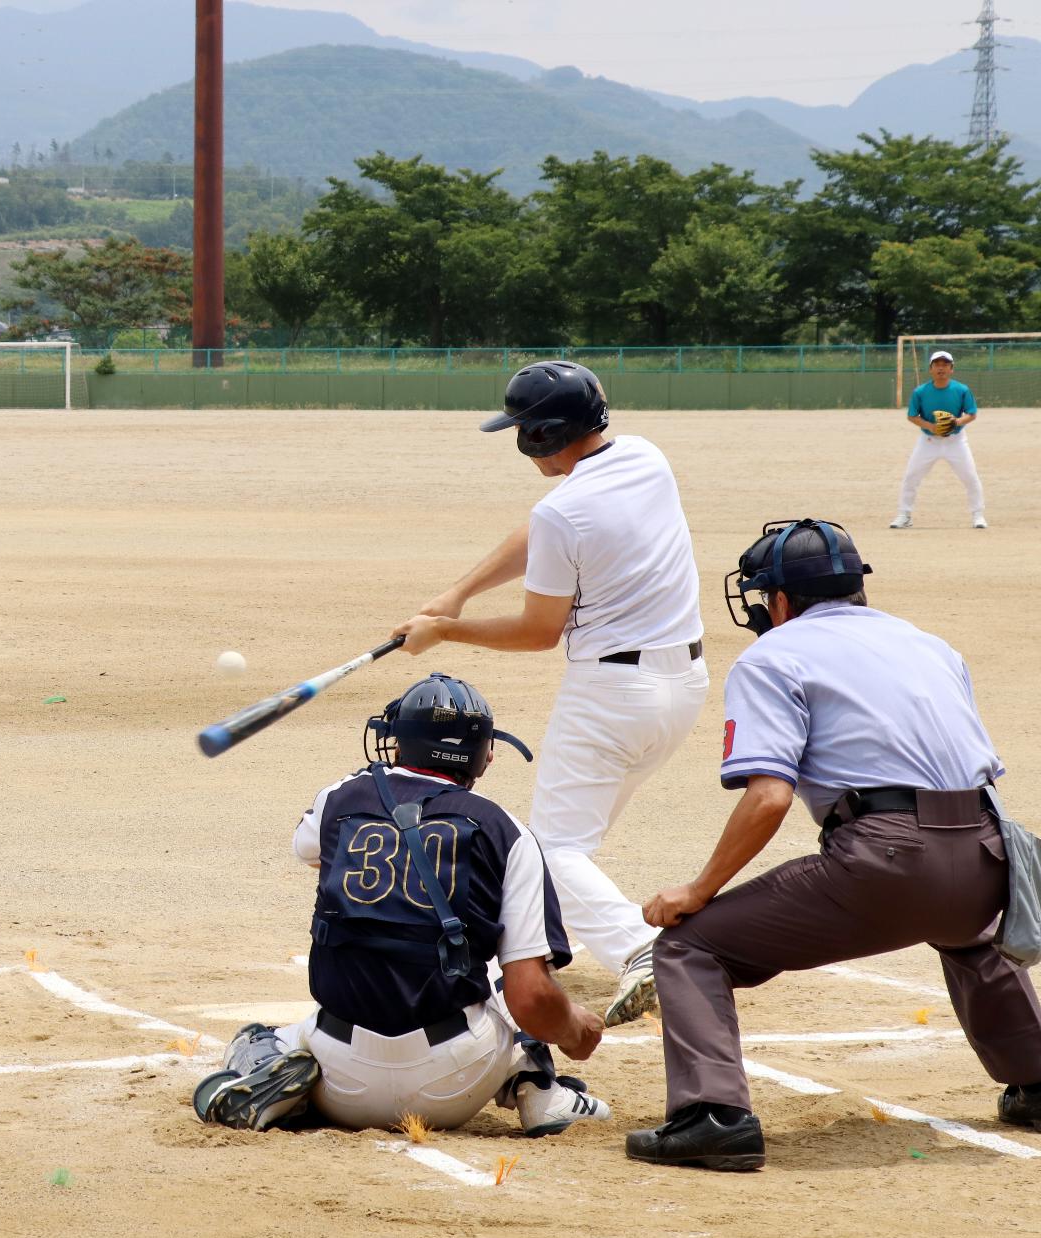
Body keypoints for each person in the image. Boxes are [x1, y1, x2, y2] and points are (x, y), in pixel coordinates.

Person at [628, 518, 1041, 1171]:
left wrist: (697, 891)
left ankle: (712, 1115)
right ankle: (1037, 1082)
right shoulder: (929, 644)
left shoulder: (773, 655)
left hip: (887, 859)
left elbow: (768, 796)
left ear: (782, 600)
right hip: (990, 858)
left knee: (689, 943)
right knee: (968, 931)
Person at [388, 360, 707, 1028]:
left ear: (541, 434)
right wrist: (461, 589)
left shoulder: (566, 510)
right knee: (572, 844)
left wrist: (445, 630)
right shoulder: (647, 458)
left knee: (548, 852)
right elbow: (542, 528)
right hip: (681, 689)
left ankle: (641, 947)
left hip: (611, 697)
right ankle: (543, 943)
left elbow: (538, 631)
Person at [192, 673, 610, 1139]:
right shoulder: (507, 833)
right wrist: (575, 1029)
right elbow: (532, 998)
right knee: (508, 982)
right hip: (456, 1083)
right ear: (486, 755)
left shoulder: (340, 799)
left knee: (256, 1038)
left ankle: (284, 1084)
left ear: (397, 741)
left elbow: (309, 850)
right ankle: (540, 1092)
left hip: (341, 1077)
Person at [894, 350, 984, 531]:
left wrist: (956, 422)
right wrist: (931, 426)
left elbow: (972, 414)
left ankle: (978, 515)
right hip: (928, 441)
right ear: (931, 369)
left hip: (956, 441)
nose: (941, 368)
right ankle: (904, 515)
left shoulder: (961, 390)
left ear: (952, 369)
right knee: (911, 476)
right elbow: (912, 416)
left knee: (970, 477)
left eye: (945, 364)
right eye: (937, 364)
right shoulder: (920, 391)